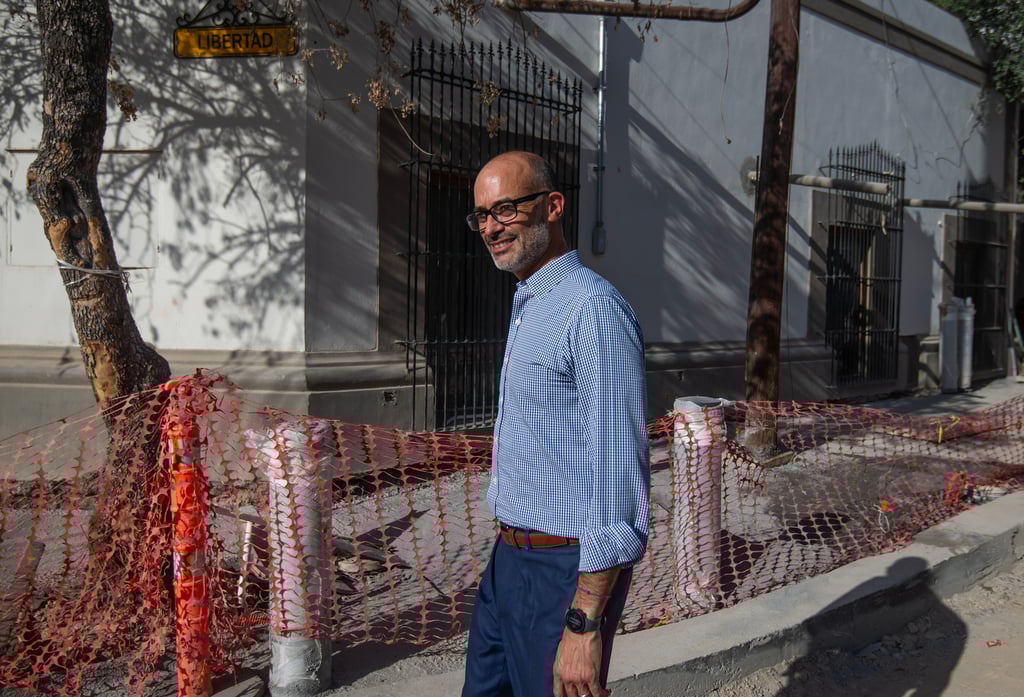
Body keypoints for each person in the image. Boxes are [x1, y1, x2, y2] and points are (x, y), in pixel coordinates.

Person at [461, 151, 650, 697]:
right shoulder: (530, 304)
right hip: (508, 564)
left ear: (553, 206)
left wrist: (584, 621)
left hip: (563, 572)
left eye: (506, 209)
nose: (491, 227)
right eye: (481, 215)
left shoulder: (592, 309)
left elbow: (618, 484)